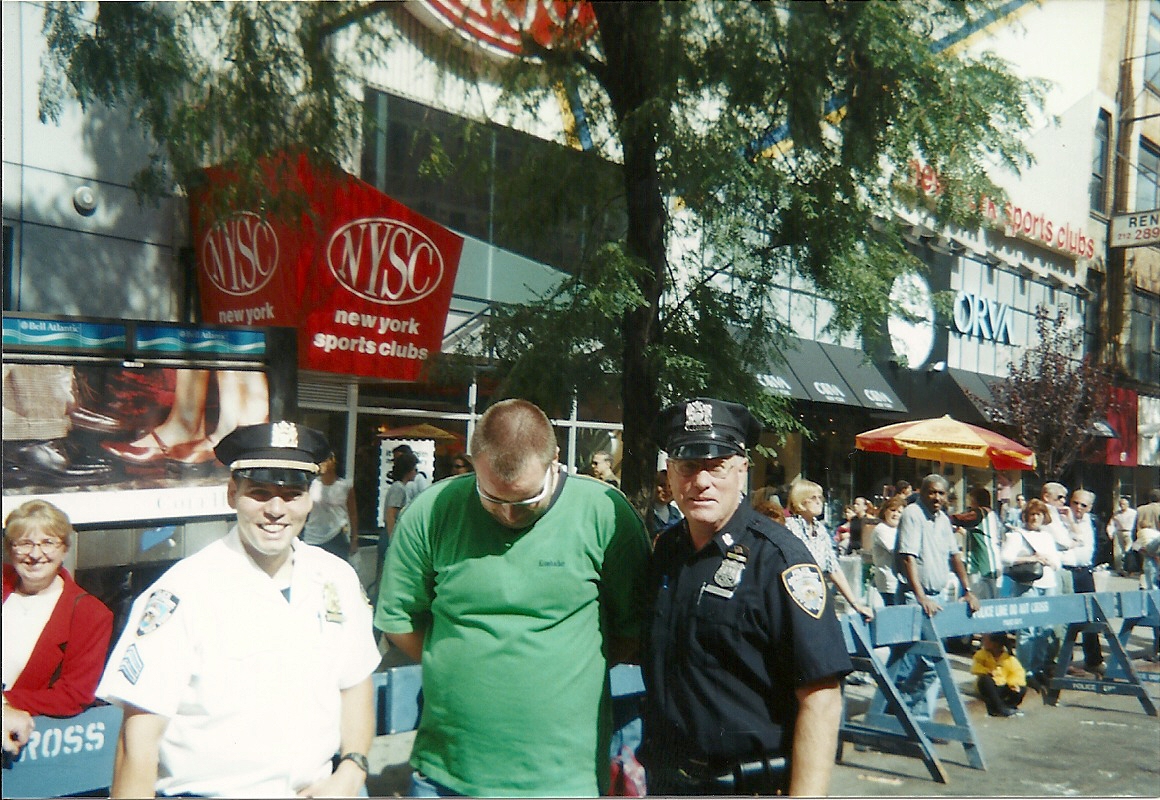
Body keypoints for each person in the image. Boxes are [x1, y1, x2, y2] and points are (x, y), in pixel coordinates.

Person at [375, 399, 650, 797]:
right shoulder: (432, 511)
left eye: (524, 501)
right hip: (448, 775)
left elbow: (632, 631)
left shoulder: (605, 516)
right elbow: (400, 620)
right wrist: (460, 662)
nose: (507, 514)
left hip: (564, 780)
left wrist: (560, 670)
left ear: (555, 460)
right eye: (491, 498)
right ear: (473, 463)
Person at [97, 422, 380, 798]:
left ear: (310, 498)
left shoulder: (336, 578)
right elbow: (138, 740)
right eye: (259, 493)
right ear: (232, 494)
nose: (276, 510)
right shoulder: (184, 591)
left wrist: (352, 768)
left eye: (293, 494)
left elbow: (355, 682)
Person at [640, 398, 853, 796]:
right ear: (669, 473)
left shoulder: (779, 560)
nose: (701, 481)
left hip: (746, 786)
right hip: (667, 780)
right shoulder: (666, 551)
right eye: (687, 466)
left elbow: (821, 698)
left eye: (716, 465)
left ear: (742, 470)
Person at [3, 500, 114, 758]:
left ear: (64, 549)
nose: (35, 554)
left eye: (48, 542)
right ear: (10, 550)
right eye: (24, 543)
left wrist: (7, 703)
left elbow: (74, 695)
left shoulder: (89, 614)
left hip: (25, 748)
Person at [892, 474, 980, 722]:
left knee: (931, 662)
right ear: (921, 492)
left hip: (938, 596)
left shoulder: (943, 519)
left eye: (941, 493)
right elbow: (907, 557)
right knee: (910, 661)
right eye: (932, 492)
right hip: (915, 597)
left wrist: (968, 590)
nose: (937, 498)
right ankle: (905, 719)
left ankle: (915, 718)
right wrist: (920, 597)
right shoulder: (912, 513)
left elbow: (954, 555)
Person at [783, 479, 873, 620]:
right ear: (800, 500)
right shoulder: (789, 527)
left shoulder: (820, 530)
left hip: (817, 599)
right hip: (794, 602)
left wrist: (855, 604)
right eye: (813, 498)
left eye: (820, 497)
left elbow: (834, 569)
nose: (819, 501)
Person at [1001, 498, 1062, 694]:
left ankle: (1038, 668)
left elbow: (1056, 560)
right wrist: (1031, 558)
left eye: (1039, 514)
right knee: (1027, 630)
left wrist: (1050, 562)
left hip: (1048, 584)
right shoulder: (1017, 535)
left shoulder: (1047, 536)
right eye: (1031, 514)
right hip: (1028, 585)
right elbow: (1005, 558)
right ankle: (1024, 672)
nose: (1035, 518)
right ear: (1025, 516)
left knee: (1044, 629)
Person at [1062, 489, 1103, 676]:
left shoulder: (1092, 522)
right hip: (1067, 571)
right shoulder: (1061, 518)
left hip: (1085, 572)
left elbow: (1100, 544)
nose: (1078, 507)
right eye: (1075, 502)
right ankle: (1066, 661)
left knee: (1091, 616)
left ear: (1090, 507)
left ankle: (1093, 660)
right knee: (1066, 619)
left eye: (1083, 505)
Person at [301, 453, 359, 562]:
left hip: (336, 535)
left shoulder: (345, 486)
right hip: (313, 535)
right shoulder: (312, 484)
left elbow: (353, 514)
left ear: (333, 461)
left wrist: (354, 539)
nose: (321, 465)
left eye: (324, 461)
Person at [952, 486, 1005, 600]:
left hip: (982, 566)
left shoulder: (980, 512)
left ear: (975, 500)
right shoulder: (993, 515)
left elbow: (960, 519)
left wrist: (943, 517)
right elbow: (982, 535)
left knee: (981, 602)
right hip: (993, 563)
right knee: (992, 600)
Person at [970, 633, 1027, 717]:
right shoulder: (981, 654)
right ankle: (1000, 708)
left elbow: (1018, 673)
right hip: (989, 687)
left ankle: (1009, 705)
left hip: (1003, 685)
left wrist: (1013, 684)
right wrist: (986, 671)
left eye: (985, 640)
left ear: (994, 644)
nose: (983, 641)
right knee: (985, 680)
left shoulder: (1009, 659)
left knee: (1022, 688)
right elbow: (975, 668)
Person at [871, 495, 906, 607]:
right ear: (885, 511)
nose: (896, 514)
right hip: (889, 584)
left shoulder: (900, 530)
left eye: (900, 512)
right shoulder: (881, 529)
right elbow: (897, 551)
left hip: (901, 583)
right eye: (892, 510)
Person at [648, 468, 683, 539]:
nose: (667, 490)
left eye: (670, 486)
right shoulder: (647, 513)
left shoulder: (675, 513)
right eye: (662, 485)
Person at [1106, 496, 1137, 575]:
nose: (1122, 505)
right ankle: (1119, 569)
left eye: (1124, 504)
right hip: (1118, 532)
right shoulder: (1116, 514)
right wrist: (1110, 533)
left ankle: (1129, 569)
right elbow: (1111, 524)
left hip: (1128, 532)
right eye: (1121, 504)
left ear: (1128, 504)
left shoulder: (1133, 513)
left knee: (1128, 551)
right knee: (1117, 552)